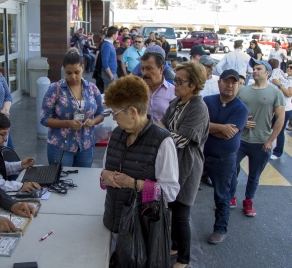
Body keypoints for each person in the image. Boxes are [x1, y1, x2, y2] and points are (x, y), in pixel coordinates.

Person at [100, 75, 180, 266]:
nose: (114, 118)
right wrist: (104, 176)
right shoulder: (117, 135)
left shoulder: (163, 141)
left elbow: (170, 192)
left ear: (133, 112)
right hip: (113, 221)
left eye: (115, 113)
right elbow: (105, 172)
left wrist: (134, 184)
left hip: (141, 230)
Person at [159, 62, 209, 268]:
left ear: (194, 84)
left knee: (181, 213)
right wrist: (163, 130)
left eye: (180, 81)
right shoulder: (177, 102)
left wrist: (163, 130)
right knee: (171, 206)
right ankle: (176, 245)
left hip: (187, 165)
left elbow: (181, 140)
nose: (175, 84)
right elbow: (163, 127)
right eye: (175, 80)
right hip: (172, 162)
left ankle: (184, 259)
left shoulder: (198, 108)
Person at [230, 58, 285, 217]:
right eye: (254, 69)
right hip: (240, 140)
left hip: (262, 142)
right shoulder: (242, 90)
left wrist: (270, 141)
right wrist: (241, 123)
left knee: (254, 175)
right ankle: (230, 197)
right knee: (231, 169)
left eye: (259, 69)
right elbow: (233, 112)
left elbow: (280, 119)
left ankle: (248, 201)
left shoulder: (275, 93)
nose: (254, 71)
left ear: (267, 73)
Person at [203, 69, 249, 244]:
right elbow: (199, 125)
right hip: (201, 155)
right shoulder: (207, 101)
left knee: (223, 195)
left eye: (234, 83)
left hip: (224, 159)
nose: (230, 85)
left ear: (238, 85)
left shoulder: (241, 108)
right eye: (227, 81)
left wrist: (210, 127)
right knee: (185, 190)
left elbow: (227, 135)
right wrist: (221, 127)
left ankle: (220, 229)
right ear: (219, 82)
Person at [40, 51, 104, 167]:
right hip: (60, 145)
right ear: (63, 70)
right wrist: (67, 123)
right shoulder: (55, 89)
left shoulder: (92, 88)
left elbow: (101, 114)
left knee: (83, 180)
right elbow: (44, 119)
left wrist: (93, 121)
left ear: (83, 68)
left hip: (86, 145)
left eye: (77, 72)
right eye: (68, 73)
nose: (73, 76)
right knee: (61, 180)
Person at [0, 110, 41, 192]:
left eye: (7, 133)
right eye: (3, 134)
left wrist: (20, 165)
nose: (6, 138)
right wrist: (20, 186)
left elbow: (0, 168)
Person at [140, 50, 175, 122]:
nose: (144, 73)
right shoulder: (137, 91)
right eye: (142, 69)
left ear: (161, 69)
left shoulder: (173, 93)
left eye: (149, 68)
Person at [269, 60, 292, 159]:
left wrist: (279, 84)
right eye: (288, 67)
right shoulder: (286, 77)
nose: (289, 68)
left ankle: (278, 152)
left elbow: (289, 93)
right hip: (276, 107)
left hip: (285, 109)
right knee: (270, 128)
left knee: (279, 130)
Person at [100, 26, 118, 90]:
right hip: (109, 74)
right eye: (117, 34)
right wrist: (111, 76)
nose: (117, 36)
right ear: (113, 35)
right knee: (109, 95)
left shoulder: (109, 44)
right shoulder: (107, 45)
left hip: (112, 72)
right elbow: (105, 62)